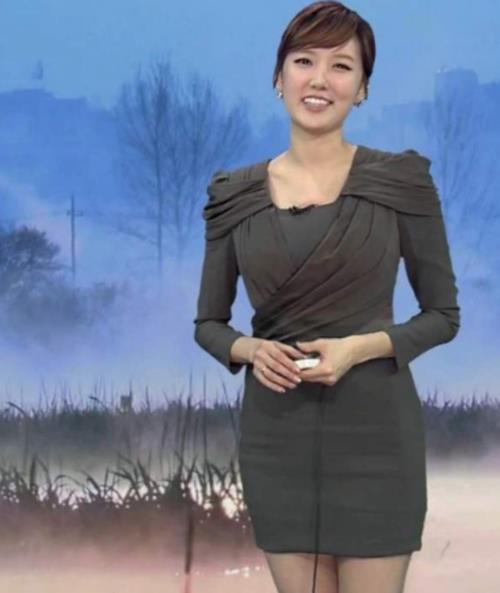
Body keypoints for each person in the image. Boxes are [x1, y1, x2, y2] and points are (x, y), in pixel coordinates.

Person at [193, 2, 461, 592]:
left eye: (341, 66)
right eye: (304, 61)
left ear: (362, 88)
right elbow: (209, 323)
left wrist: (358, 349)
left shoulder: (401, 183)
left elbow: (443, 316)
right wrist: (250, 350)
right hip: (277, 437)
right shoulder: (233, 195)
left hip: (376, 436)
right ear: (278, 76)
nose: (320, 79)